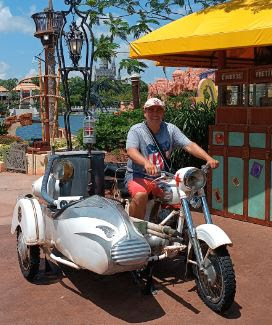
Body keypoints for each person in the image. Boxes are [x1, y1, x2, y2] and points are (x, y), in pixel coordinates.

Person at [125, 97, 219, 219]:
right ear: (145, 113)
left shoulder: (170, 129)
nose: (155, 113)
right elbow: (131, 151)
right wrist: (146, 163)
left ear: (163, 113)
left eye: (158, 110)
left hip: (162, 177)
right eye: (151, 110)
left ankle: (178, 228)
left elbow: (189, 145)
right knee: (140, 195)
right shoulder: (136, 130)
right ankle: (135, 230)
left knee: (181, 195)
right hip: (139, 176)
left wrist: (208, 158)